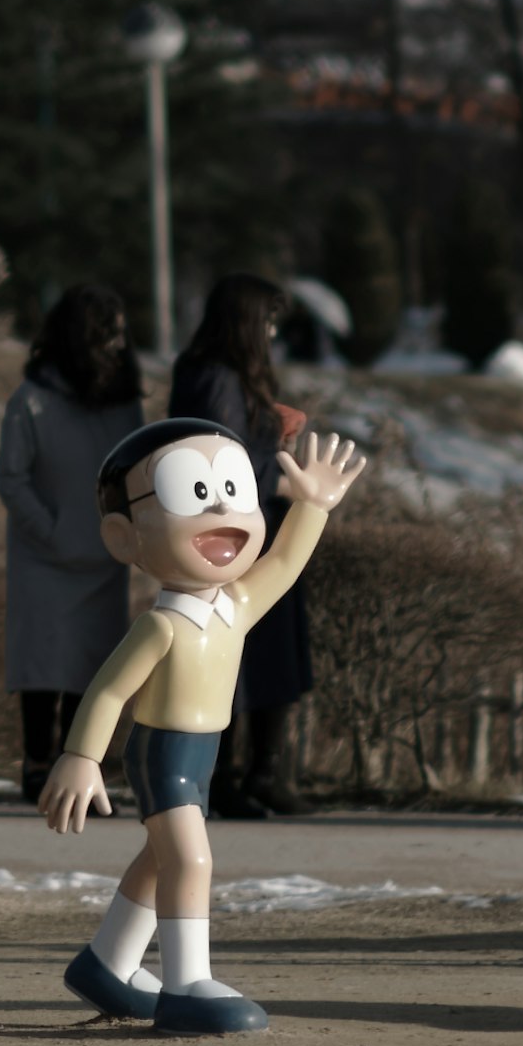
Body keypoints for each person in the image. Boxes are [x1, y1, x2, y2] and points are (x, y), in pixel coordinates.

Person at [39, 414, 372, 1033]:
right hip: (162, 754)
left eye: (234, 490)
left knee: (161, 859)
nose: (221, 510)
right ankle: (188, 982)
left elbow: (287, 562)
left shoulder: (235, 607)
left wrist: (312, 507)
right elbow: (109, 691)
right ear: (126, 536)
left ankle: (108, 961)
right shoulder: (160, 626)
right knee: (190, 862)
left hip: (203, 754)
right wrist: (82, 757)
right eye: (194, 493)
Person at [169, 274, 316, 817]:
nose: (274, 332)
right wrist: (280, 473)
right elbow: (218, 466)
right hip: (230, 536)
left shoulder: (227, 375)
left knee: (269, 653)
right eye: (269, 320)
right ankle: (229, 777)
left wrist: (276, 435)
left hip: (255, 529)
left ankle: (260, 772)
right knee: (236, 657)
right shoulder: (214, 377)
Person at [0, 285, 148, 803]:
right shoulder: (31, 399)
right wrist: (50, 528)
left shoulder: (125, 400)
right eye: (107, 333)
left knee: (93, 664)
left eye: (120, 334)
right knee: (41, 665)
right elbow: (10, 478)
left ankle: (79, 767)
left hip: (105, 554)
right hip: (44, 557)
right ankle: (37, 766)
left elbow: (136, 472)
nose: (118, 343)